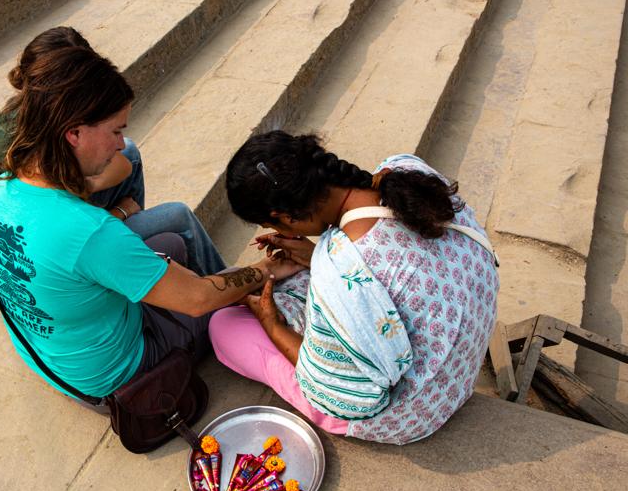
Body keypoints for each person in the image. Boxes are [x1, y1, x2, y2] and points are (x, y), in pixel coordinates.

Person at [0, 43, 302, 402]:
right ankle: (252, 306)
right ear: (74, 134)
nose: (121, 143)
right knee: (219, 314)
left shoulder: (0, 186)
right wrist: (266, 268)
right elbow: (198, 298)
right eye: (115, 131)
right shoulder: (91, 232)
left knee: (174, 239)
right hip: (118, 374)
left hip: (50, 355)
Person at [209, 131, 499, 444]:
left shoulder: (341, 263)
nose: (278, 232)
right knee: (270, 286)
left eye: (275, 225)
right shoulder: (404, 172)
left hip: (416, 410)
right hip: (460, 366)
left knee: (224, 325)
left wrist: (273, 325)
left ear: (284, 216)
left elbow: (343, 393)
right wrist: (314, 257)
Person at [0, 26, 225, 276]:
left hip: (28, 234)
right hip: (40, 255)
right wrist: (119, 213)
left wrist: (89, 187)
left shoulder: (24, 114)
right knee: (177, 216)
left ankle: (133, 244)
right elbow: (65, 232)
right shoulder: (46, 144)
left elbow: (124, 164)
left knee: (130, 154)